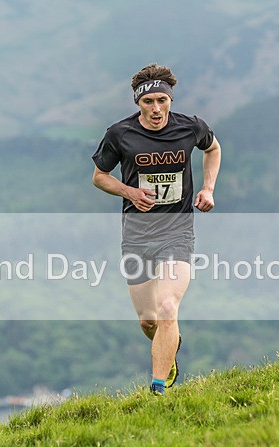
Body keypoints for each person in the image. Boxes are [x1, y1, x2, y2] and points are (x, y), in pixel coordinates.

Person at [91, 63, 222, 396]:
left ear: (170, 100)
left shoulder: (191, 127)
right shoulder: (119, 134)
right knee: (150, 321)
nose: (156, 109)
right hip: (136, 236)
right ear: (138, 103)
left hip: (177, 231)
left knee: (167, 307)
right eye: (148, 102)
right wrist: (130, 191)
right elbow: (100, 177)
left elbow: (213, 149)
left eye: (162, 100)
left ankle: (158, 389)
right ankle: (169, 347)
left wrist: (208, 188)